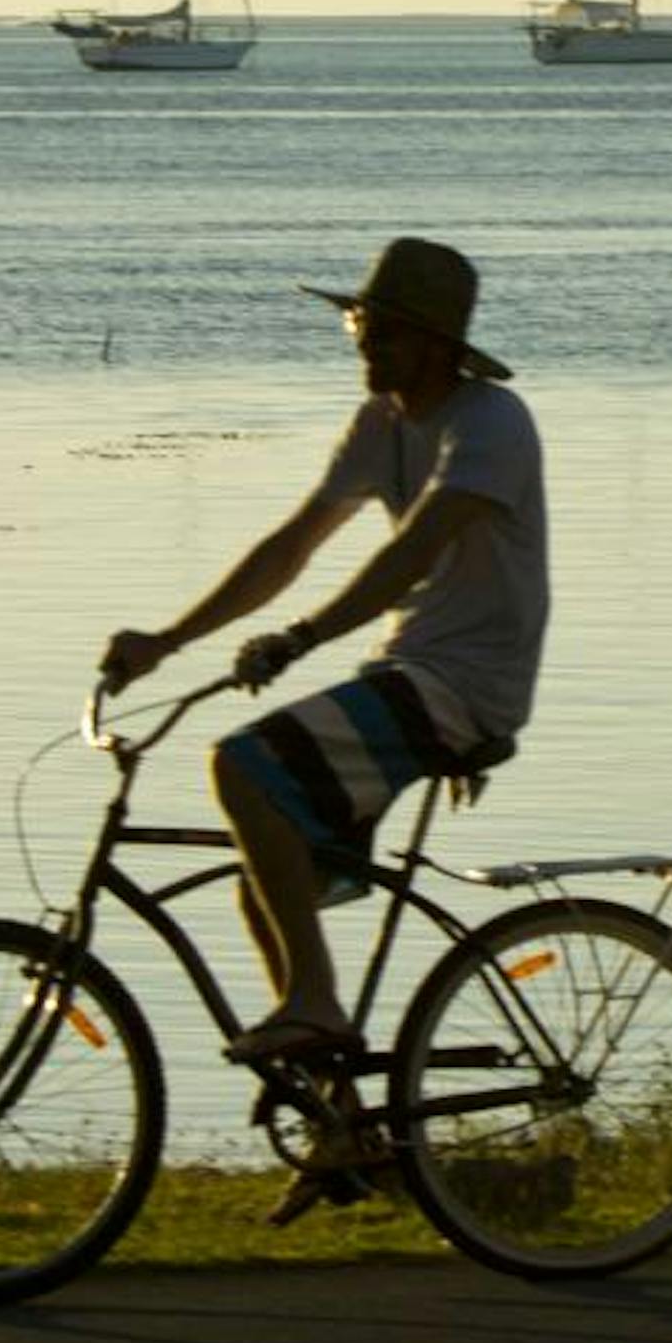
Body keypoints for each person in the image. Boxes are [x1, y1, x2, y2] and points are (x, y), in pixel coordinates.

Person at [97, 234, 550, 1062]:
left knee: (242, 765)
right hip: (407, 672)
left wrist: (303, 637)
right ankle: (339, 1114)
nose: (365, 346)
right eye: (359, 328)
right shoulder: (380, 422)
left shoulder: (492, 422)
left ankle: (315, 1004)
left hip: (466, 683)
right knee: (269, 888)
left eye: (386, 334)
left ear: (440, 345)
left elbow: (413, 548)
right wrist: (168, 640)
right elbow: (293, 544)